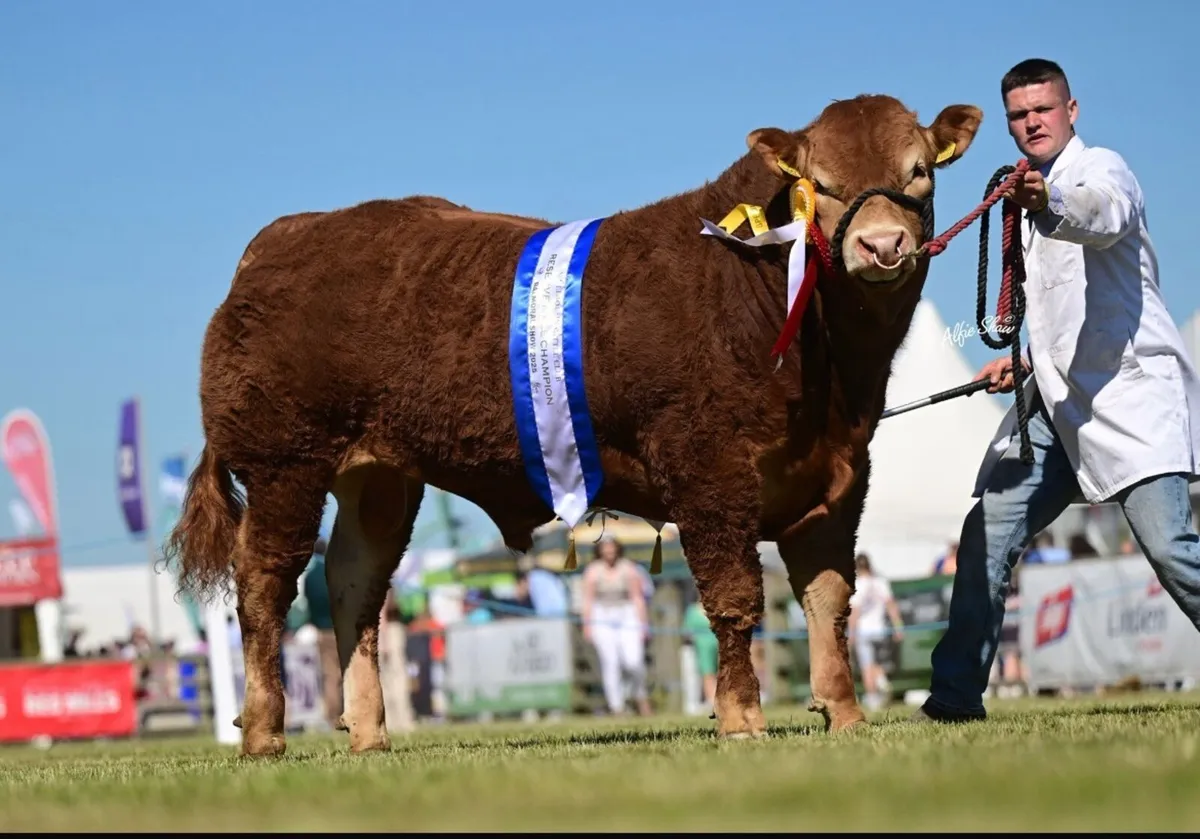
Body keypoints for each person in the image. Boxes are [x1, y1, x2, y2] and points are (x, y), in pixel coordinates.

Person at [915, 58, 1200, 723]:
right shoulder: (1022, 189)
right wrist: (1025, 365)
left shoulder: (1101, 170)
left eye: (1043, 108)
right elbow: (1064, 310)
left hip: (1129, 403)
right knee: (987, 528)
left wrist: (1051, 203)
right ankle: (955, 697)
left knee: (1170, 550)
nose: (1030, 121)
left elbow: (1106, 215)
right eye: (1018, 114)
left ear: (1072, 111)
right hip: (1059, 408)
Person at [580, 535, 652, 716]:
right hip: (602, 615)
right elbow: (588, 599)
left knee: (633, 660)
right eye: (605, 548)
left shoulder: (628, 568)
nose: (609, 552)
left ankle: (640, 695)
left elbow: (637, 597)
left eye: (612, 548)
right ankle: (617, 706)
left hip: (627, 614)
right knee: (610, 662)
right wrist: (587, 625)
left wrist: (643, 624)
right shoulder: (592, 571)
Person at [848, 553, 904, 711]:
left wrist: (851, 634)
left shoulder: (857, 585)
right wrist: (898, 626)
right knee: (877, 663)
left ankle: (873, 697)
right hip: (880, 630)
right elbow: (891, 605)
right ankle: (882, 682)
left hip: (863, 631)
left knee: (867, 667)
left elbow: (855, 612)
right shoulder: (880, 582)